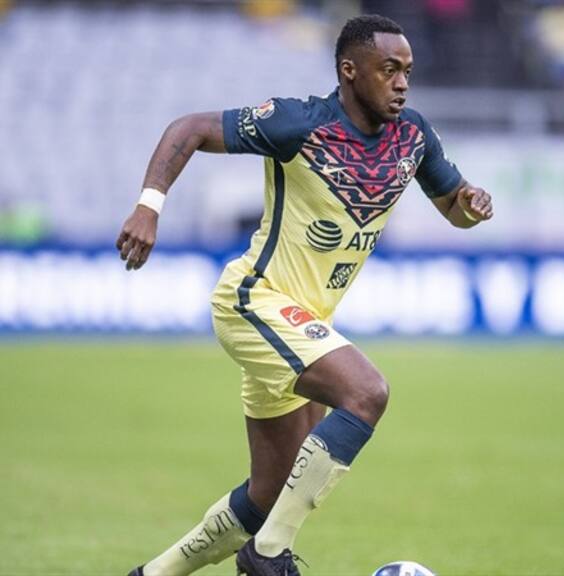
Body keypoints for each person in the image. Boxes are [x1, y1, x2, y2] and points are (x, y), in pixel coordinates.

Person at [118, 14, 493, 576]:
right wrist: (149, 206)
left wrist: (471, 206)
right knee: (366, 393)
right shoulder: (300, 124)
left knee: (266, 495)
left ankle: (152, 574)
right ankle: (268, 555)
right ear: (350, 71)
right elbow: (188, 127)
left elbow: (453, 209)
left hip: (300, 322)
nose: (401, 83)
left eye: (407, 71)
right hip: (253, 301)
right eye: (388, 70)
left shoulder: (412, 136)